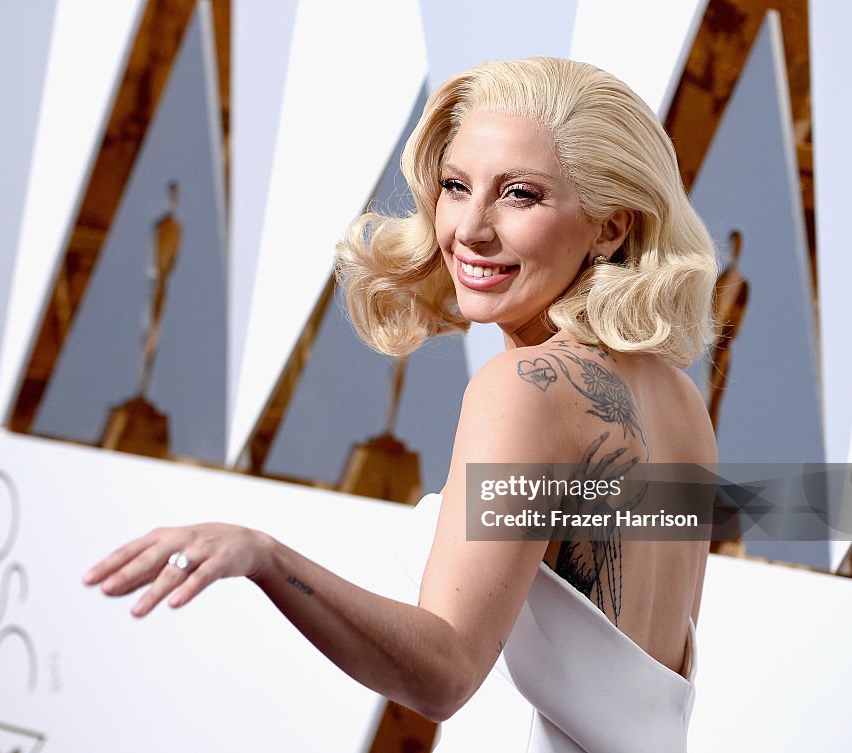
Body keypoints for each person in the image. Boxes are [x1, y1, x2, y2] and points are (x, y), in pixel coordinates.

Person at [84, 56, 718, 752]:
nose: (471, 229)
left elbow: (445, 668)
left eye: (520, 195)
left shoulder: (525, 390)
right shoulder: (680, 398)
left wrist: (264, 556)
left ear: (611, 226)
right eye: (455, 185)